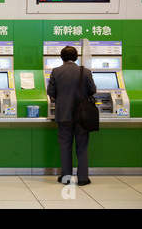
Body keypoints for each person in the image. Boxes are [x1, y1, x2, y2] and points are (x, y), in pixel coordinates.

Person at [47, 46, 97, 186]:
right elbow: (93, 90)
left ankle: (66, 177)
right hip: (82, 116)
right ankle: (82, 178)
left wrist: (61, 98)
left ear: (61, 57)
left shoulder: (56, 72)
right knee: (82, 147)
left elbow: (50, 91)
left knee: (65, 146)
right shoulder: (85, 72)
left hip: (64, 114)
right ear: (76, 57)